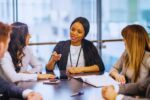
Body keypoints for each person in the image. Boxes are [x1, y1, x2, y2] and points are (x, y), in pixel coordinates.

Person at [0, 21, 42, 100]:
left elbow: (4, 86)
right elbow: (12, 79)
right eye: (7, 42)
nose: (30, 36)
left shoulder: (27, 49)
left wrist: (28, 93)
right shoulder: (6, 55)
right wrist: (37, 75)